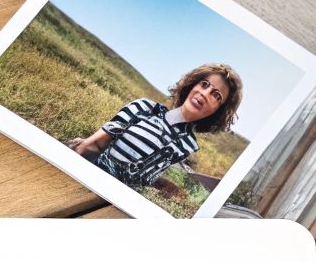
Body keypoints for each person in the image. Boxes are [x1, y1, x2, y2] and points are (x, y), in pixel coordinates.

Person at [67, 64, 243, 189]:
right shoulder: (143, 108)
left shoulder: (187, 147)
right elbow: (94, 144)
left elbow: (147, 181)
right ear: (192, 85)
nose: (204, 94)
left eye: (216, 95)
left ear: (218, 110)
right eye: (204, 85)